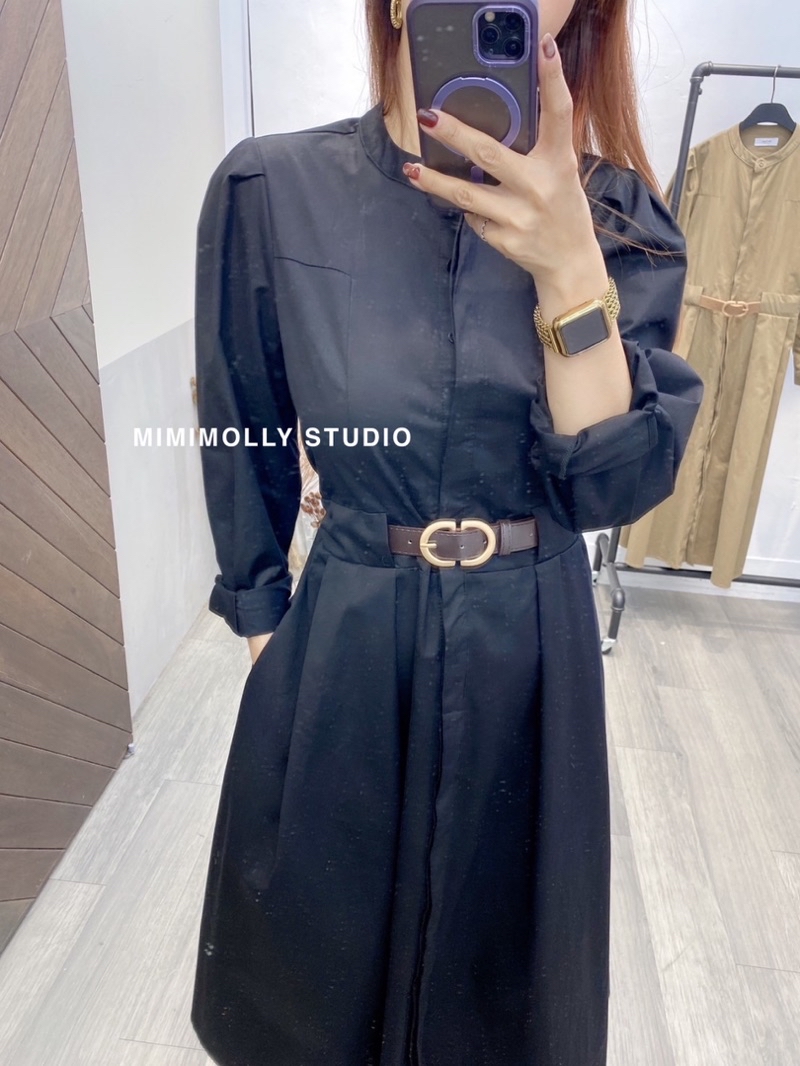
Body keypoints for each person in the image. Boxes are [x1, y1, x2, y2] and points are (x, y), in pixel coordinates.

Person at [190, 1, 704, 1063]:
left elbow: (611, 487)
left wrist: (570, 270)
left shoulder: (621, 219)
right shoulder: (270, 190)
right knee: (315, 993)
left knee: (501, 1002)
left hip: (530, 653)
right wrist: (265, 628)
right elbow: (243, 429)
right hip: (343, 640)